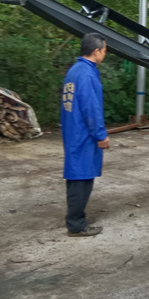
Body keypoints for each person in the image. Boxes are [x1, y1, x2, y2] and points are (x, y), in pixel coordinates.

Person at [61, 32, 110, 237]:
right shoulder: (87, 74)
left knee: (76, 176)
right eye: (104, 50)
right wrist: (100, 134)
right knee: (82, 177)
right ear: (96, 51)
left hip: (73, 130)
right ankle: (76, 224)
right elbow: (92, 108)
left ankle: (75, 219)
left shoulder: (75, 70)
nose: (105, 54)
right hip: (83, 134)